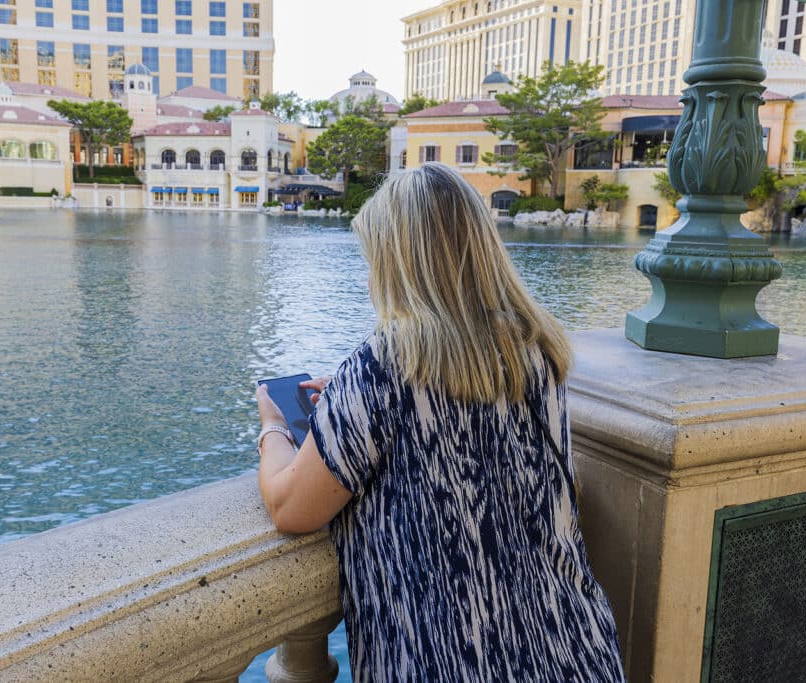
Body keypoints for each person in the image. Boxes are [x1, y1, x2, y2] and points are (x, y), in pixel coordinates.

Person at [255, 163, 625, 681]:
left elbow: (290, 506)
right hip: (574, 649)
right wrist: (346, 397)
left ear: (398, 262)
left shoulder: (387, 361)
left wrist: (273, 425)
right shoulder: (536, 346)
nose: (368, 277)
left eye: (373, 259)